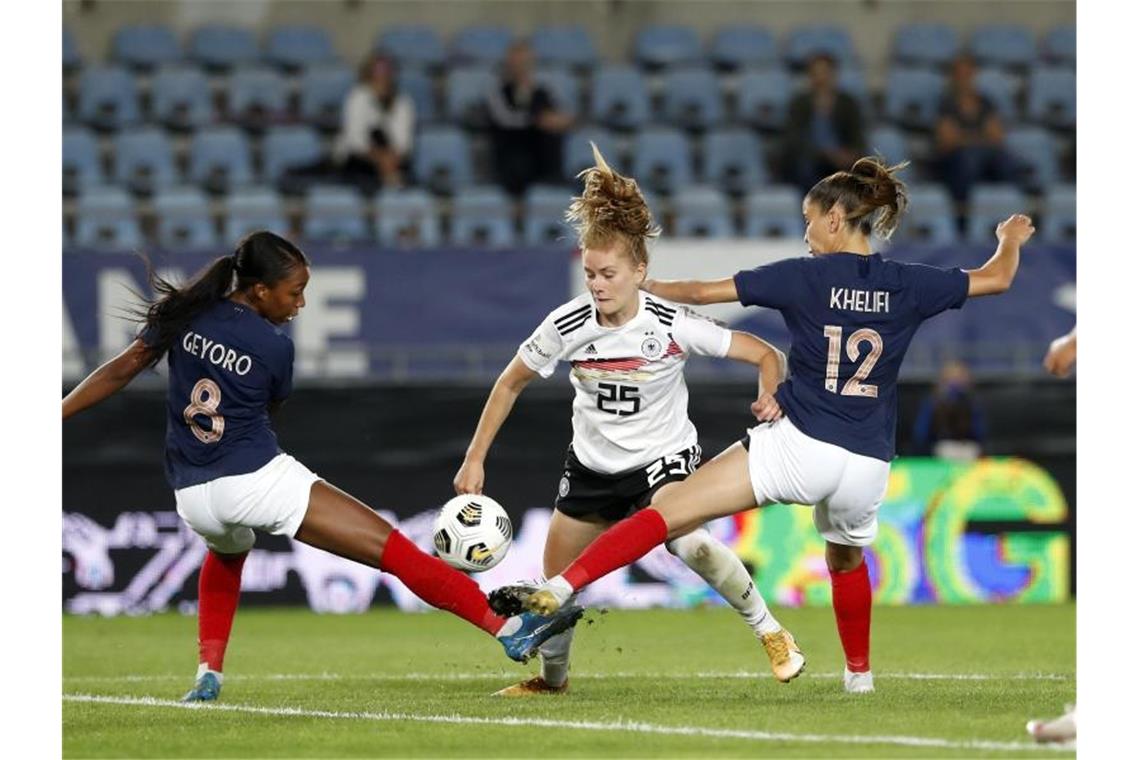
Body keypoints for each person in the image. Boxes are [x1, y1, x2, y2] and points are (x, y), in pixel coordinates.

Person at [506, 157, 1036, 694]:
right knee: (846, 558)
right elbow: (997, 278)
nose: (805, 233)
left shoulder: (802, 277)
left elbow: (702, 292)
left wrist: (640, 287)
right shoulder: (908, 283)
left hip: (801, 443)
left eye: (809, 219)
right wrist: (1009, 237)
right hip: (869, 459)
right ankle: (860, 677)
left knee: (668, 511)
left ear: (834, 218)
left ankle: (563, 584)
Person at [61, 231, 583, 702]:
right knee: (392, 548)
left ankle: (208, 672)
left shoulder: (186, 315)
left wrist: (57, 412)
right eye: (294, 292)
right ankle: (505, 629)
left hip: (192, 496)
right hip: (252, 478)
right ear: (261, 291)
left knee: (226, 552)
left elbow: (121, 368)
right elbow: (267, 412)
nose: (300, 303)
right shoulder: (271, 346)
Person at [455, 144, 802, 696]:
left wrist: (768, 387)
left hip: (663, 462)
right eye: (590, 273)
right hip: (591, 469)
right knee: (554, 589)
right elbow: (510, 381)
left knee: (690, 544)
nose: (597, 285)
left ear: (640, 271)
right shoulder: (566, 324)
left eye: (609, 273)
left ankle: (772, 632)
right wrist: (475, 457)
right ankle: (553, 681)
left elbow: (765, 352)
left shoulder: (672, 323)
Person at [485, 40, 573, 195]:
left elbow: (557, 116)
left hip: (539, 154)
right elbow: (505, 119)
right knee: (518, 160)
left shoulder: (543, 91)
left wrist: (559, 121)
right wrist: (536, 120)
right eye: (517, 62)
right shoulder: (498, 91)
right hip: (511, 154)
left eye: (525, 62)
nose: (521, 67)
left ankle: (554, 184)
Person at [933, 54, 1016, 212]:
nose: (964, 78)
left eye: (968, 74)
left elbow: (998, 138)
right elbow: (947, 142)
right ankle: (965, 216)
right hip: (956, 159)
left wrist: (965, 138)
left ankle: (1008, 213)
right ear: (953, 77)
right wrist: (980, 138)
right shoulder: (946, 104)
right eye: (960, 74)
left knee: (1007, 161)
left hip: (985, 156)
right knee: (968, 161)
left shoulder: (986, 102)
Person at [781, 53, 866, 194]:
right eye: (816, 73)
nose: (821, 78)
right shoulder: (799, 104)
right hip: (811, 159)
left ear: (834, 75)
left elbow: (858, 136)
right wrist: (826, 154)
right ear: (810, 77)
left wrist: (850, 154)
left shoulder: (848, 103)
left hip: (843, 159)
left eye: (825, 72)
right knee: (805, 168)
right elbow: (794, 141)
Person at [331, 53, 415, 191]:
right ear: (368, 74)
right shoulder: (357, 98)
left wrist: (390, 159)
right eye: (377, 71)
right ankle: (391, 183)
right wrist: (380, 158)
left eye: (386, 71)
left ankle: (393, 184)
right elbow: (355, 141)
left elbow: (404, 143)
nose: (381, 77)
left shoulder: (403, 102)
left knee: (400, 169)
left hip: (393, 159)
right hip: (360, 159)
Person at [910, 360, 986, 461]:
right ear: (943, 381)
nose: (955, 384)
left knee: (969, 451)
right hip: (942, 446)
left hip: (968, 446)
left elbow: (980, 432)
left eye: (959, 379)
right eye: (951, 379)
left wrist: (965, 406)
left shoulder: (972, 402)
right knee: (946, 450)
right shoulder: (933, 402)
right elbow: (921, 432)